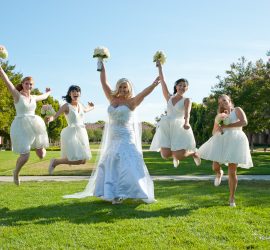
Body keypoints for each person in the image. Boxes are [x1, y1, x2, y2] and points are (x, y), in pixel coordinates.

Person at [64, 62, 159, 204]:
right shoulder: (112, 98)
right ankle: (113, 193)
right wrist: (102, 63)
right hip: (113, 136)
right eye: (120, 86)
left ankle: (129, 191)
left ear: (129, 88)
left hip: (126, 135)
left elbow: (144, 93)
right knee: (112, 162)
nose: (122, 89)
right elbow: (103, 82)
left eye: (125, 87)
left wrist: (153, 85)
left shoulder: (132, 102)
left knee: (127, 163)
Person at [198, 94, 253, 207]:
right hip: (222, 141)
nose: (223, 103)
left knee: (232, 172)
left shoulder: (237, 110)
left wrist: (227, 126)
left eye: (224, 100)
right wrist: (219, 126)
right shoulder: (220, 115)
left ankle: (232, 198)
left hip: (236, 141)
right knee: (215, 166)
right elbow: (214, 132)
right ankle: (219, 173)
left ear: (229, 100)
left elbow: (244, 122)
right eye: (220, 102)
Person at [0, 64, 50, 185]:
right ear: (22, 84)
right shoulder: (17, 95)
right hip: (21, 126)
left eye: (31, 84)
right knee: (25, 156)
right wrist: (1, 69)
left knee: (42, 155)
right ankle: (16, 173)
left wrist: (48, 92)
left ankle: (39, 148)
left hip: (34, 125)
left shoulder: (33, 97)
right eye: (26, 83)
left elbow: (44, 96)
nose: (29, 85)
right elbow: (6, 80)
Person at [150, 60, 201, 167]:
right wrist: (159, 68)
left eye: (184, 86)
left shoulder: (187, 100)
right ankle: (174, 156)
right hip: (167, 124)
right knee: (165, 154)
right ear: (176, 86)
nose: (182, 87)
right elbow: (163, 82)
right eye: (180, 85)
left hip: (180, 125)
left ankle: (194, 153)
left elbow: (187, 113)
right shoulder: (169, 97)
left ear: (187, 88)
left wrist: (186, 123)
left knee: (179, 155)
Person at [46, 85, 94, 174]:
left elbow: (86, 110)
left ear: (80, 94)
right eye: (73, 91)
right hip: (72, 134)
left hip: (82, 133)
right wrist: (50, 119)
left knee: (83, 161)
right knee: (76, 158)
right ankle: (55, 162)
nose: (75, 93)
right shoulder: (66, 106)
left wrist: (92, 106)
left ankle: (56, 162)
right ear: (70, 94)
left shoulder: (80, 105)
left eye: (77, 91)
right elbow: (55, 116)